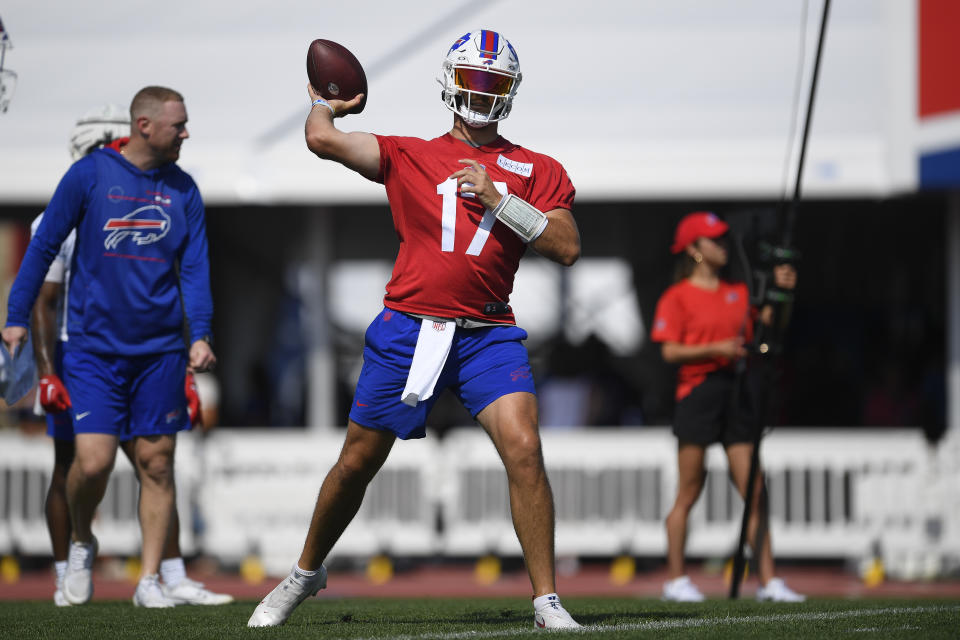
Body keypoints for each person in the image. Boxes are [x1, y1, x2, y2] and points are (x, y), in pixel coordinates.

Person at [248, 29, 581, 630]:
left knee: (525, 450)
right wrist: (329, 100)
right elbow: (320, 139)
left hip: (487, 332)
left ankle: (546, 600)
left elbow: (567, 246)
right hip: (409, 327)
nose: (481, 94)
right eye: (473, 81)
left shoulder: (535, 168)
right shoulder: (409, 154)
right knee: (357, 461)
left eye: (493, 84)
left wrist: (503, 200)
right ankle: (305, 571)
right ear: (452, 85)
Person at [2, 87, 216, 608]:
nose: (186, 133)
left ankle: (149, 582)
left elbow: (194, 268)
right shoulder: (90, 175)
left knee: (158, 464)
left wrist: (201, 334)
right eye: (178, 124)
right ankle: (80, 544)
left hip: (161, 351)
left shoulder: (183, 189)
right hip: (92, 350)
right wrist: (15, 319)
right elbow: (44, 246)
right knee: (91, 463)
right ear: (144, 125)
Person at [650, 211, 804, 603]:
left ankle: (769, 582)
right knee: (688, 491)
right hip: (698, 395)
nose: (721, 245)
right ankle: (676, 579)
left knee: (755, 489)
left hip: (737, 393)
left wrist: (782, 292)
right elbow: (668, 351)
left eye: (722, 239)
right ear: (694, 250)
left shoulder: (738, 291)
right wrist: (713, 349)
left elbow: (770, 327)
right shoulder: (677, 296)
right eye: (712, 240)